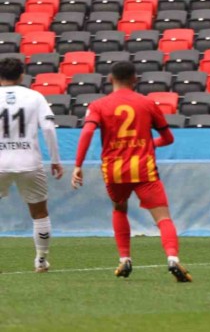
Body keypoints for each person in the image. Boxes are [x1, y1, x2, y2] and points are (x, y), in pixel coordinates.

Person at [71, 61, 191, 282]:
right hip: (144, 169)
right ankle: (172, 258)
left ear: (110, 79)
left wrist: (78, 164)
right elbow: (168, 138)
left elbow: (87, 131)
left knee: (119, 208)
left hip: (114, 170)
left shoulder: (99, 105)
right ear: (135, 79)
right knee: (163, 218)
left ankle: (125, 258)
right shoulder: (148, 104)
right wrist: (149, 142)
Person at [0, 58, 63, 273]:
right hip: (28, 161)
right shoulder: (35, 97)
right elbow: (48, 129)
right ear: (22, 75)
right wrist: (55, 159)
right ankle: (41, 260)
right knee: (39, 212)